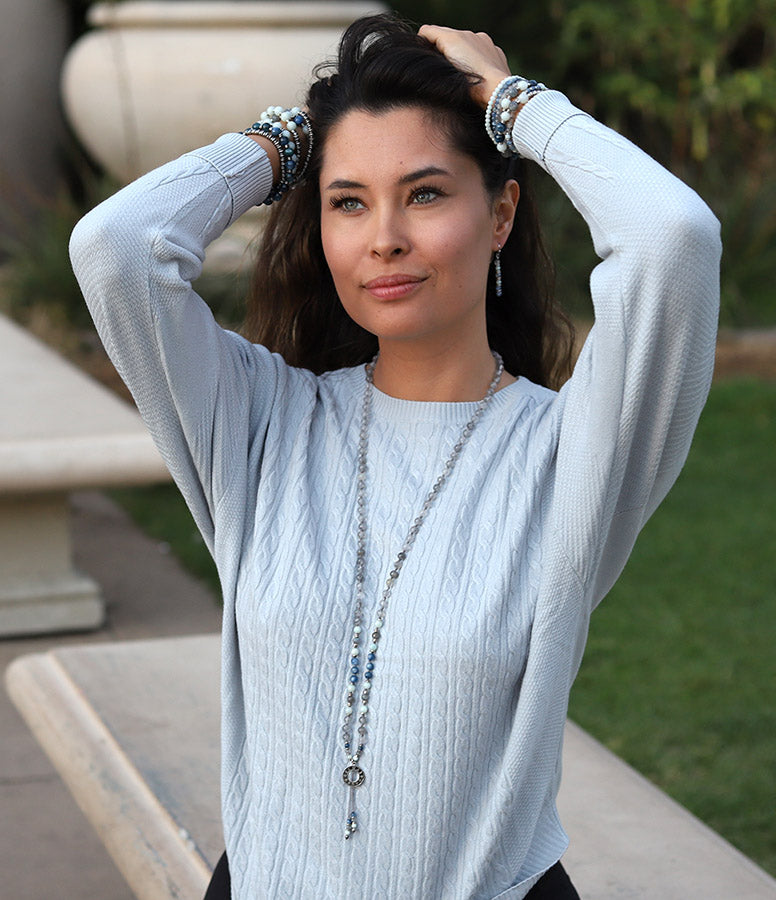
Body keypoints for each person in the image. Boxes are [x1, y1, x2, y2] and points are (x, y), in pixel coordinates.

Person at [69, 14, 721, 900]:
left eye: (423, 194)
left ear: (498, 214)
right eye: (349, 201)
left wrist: (514, 106)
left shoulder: (575, 456)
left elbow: (672, 239)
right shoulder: (259, 425)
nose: (383, 238)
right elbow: (117, 249)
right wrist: (295, 134)